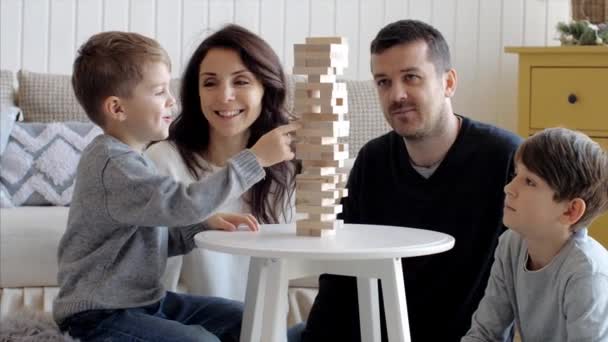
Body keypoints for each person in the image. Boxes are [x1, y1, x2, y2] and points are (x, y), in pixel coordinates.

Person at [53, 31, 298, 342]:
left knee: (245, 319)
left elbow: (147, 236)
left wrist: (200, 228)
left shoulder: (131, 160)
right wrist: (254, 160)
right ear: (117, 109)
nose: (172, 100)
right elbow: (182, 203)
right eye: (159, 92)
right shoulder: (113, 165)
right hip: (99, 316)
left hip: (145, 303)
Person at [299, 19, 523, 342]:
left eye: (411, 78)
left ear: (448, 83)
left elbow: (533, 276)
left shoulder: (506, 159)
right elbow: (340, 277)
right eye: (383, 82)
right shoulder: (371, 162)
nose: (397, 94)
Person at [146, 24, 297, 302]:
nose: (225, 96)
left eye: (241, 81)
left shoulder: (287, 168)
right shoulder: (162, 162)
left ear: (266, 89)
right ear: (197, 93)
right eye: (210, 82)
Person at [462, 128, 608, 341]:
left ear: (570, 211)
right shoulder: (511, 244)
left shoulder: (587, 274)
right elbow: (485, 333)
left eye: (530, 181)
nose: (509, 188)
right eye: (515, 175)